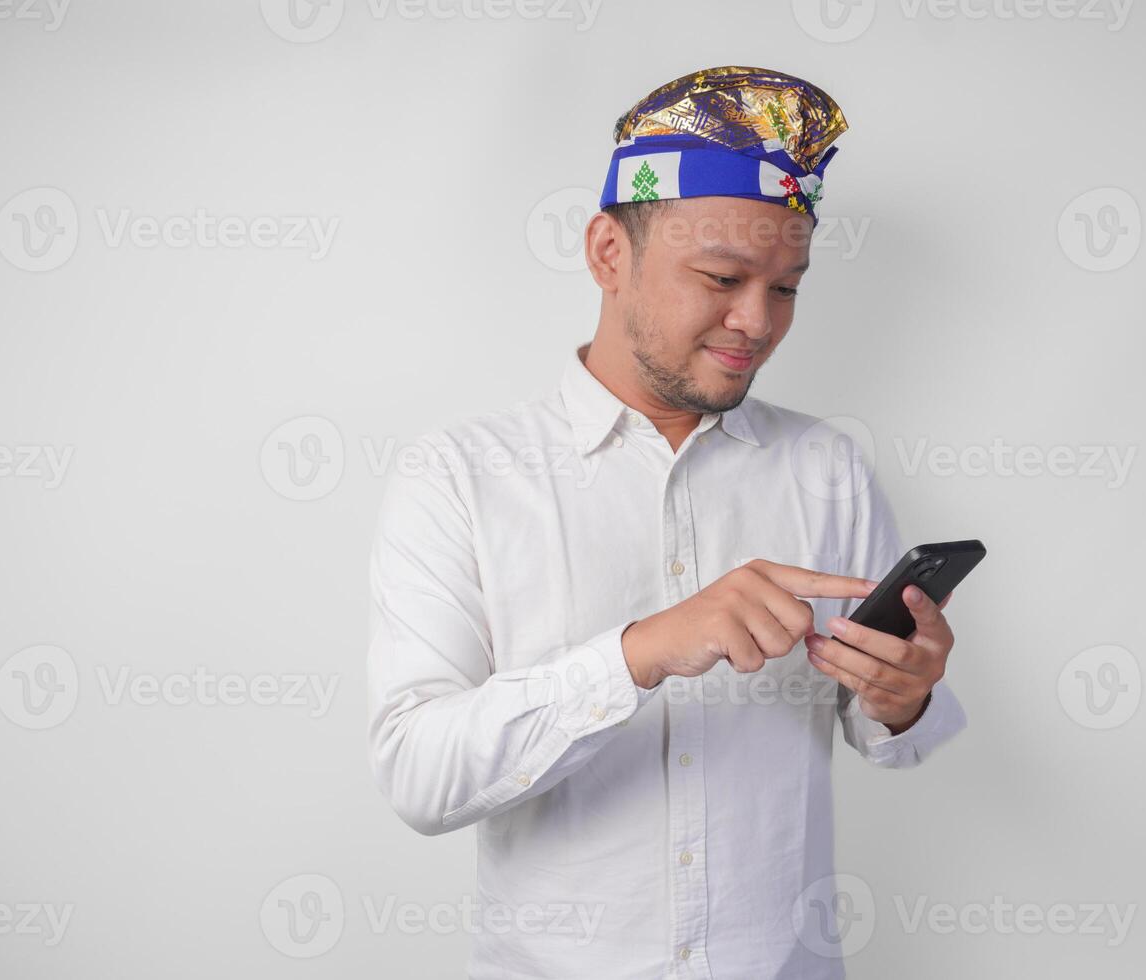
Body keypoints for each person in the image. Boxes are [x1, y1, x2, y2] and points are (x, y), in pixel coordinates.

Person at [367, 65, 967, 979]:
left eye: (789, 287)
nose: (757, 321)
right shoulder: (460, 477)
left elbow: (891, 736)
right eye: (722, 277)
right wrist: (639, 651)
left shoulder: (827, 468)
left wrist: (901, 694)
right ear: (609, 252)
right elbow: (419, 776)